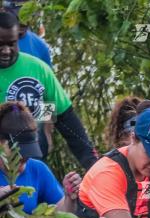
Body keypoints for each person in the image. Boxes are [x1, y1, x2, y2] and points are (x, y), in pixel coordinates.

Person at [0, 10, 97, 169]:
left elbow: (64, 117)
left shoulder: (38, 69)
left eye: (11, 44)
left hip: (31, 157)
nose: (6, 50)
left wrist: (91, 161)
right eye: (0, 44)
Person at [2, 1, 52, 67]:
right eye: (18, 17)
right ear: (3, 12)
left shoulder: (40, 47)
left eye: (27, 17)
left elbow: (46, 76)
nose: (23, 22)